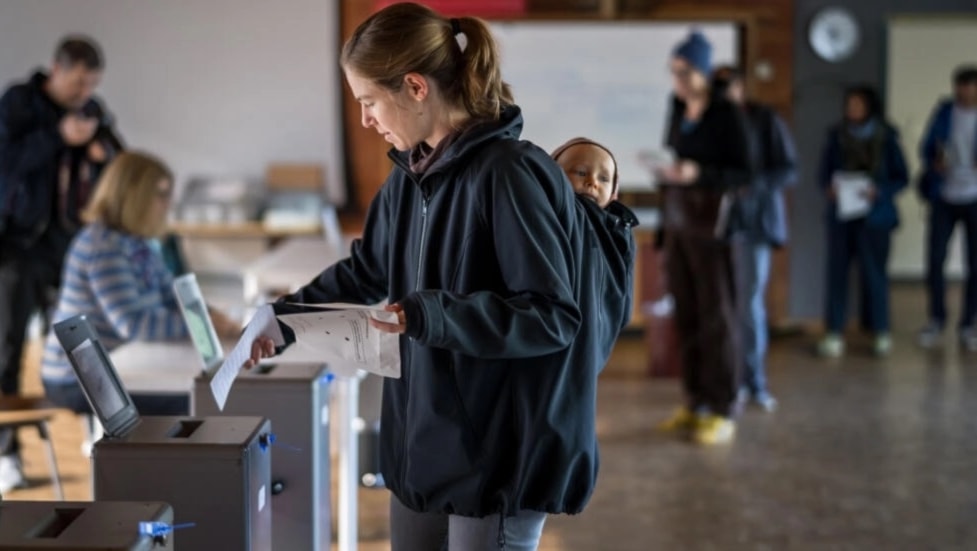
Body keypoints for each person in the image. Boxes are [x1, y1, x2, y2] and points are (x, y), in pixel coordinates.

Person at [248, 4, 607, 550]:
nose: (366, 119)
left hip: (496, 461)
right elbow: (369, 269)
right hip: (422, 448)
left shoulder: (511, 174)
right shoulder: (408, 176)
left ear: (415, 87)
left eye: (368, 101)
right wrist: (283, 319)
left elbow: (551, 316)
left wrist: (427, 314)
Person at [0, 35, 123, 491]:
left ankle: (99, 439)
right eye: (77, 83)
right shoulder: (18, 103)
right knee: (8, 352)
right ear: (56, 70)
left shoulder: (92, 110)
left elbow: (120, 163)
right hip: (17, 247)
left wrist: (99, 153)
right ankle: (7, 453)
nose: (83, 93)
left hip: (69, 248)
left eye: (91, 85)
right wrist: (57, 137)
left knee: (85, 345)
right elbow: (7, 163)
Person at [40, 152, 240, 420]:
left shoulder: (136, 242)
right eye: (161, 195)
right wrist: (202, 324)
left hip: (119, 366)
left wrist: (209, 316)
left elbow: (172, 296)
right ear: (134, 195)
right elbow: (134, 324)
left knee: (207, 393)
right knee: (199, 403)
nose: (168, 204)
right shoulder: (103, 247)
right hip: (77, 379)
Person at [654, 31, 754, 445]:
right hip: (680, 223)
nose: (678, 79)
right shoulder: (677, 107)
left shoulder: (727, 113)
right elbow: (672, 153)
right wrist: (671, 169)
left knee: (719, 319)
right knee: (688, 315)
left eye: (685, 71)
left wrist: (700, 174)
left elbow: (745, 174)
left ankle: (723, 406)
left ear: (704, 71)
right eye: (674, 70)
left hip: (716, 230)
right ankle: (695, 401)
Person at [712, 66, 799, 412]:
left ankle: (753, 381)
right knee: (724, 306)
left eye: (727, 87)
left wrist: (751, 188)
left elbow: (788, 168)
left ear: (741, 88)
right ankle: (729, 381)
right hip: (720, 225)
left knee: (748, 305)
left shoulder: (764, 119)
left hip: (756, 224)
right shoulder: (714, 124)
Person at [816, 86, 908, 358]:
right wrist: (829, 188)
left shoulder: (887, 137)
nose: (852, 109)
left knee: (874, 275)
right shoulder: (836, 136)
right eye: (849, 104)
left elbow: (902, 177)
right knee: (837, 275)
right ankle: (834, 331)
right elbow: (823, 173)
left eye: (858, 104)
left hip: (875, 217)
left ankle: (880, 330)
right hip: (842, 216)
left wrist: (879, 191)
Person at [551, 137, 638, 366]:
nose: (592, 182)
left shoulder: (620, 231)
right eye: (580, 172)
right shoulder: (549, 223)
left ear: (614, 192)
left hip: (595, 346)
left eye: (604, 178)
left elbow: (624, 306)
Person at [917, 66, 977, 350]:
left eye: (969, 87)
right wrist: (934, 161)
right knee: (935, 260)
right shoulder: (944, 112)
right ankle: (937, 319)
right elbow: (927, 145)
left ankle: (969, 324)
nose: (964, 92)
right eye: (960, 86)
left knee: (974, 264)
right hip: (944, 195)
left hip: (974, 197)